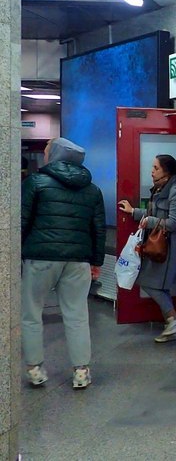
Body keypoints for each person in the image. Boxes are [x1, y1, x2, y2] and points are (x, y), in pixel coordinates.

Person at [21, 138, 105, 389]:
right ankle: (81, 371)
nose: (45, 154)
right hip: (78, 261)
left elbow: (21, 220)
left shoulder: (35, 182)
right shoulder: (92, 190)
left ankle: (35, 369)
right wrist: (96, 261)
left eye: (48, 150)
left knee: (31, 314)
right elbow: (98, 229)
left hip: (40, 258)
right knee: (77, 315)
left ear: (56, 155)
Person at [118, 154, 176, 343]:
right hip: (158, 246)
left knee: (150, 282)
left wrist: (149, 221)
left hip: (167, 248)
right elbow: (152, 213)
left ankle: (174, 320)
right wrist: (134, 212)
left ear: (166, 171)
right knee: (155, 284)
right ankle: (172, 323)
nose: (152, 171)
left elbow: (174, 223)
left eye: (156, 168)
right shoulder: (159, 189)